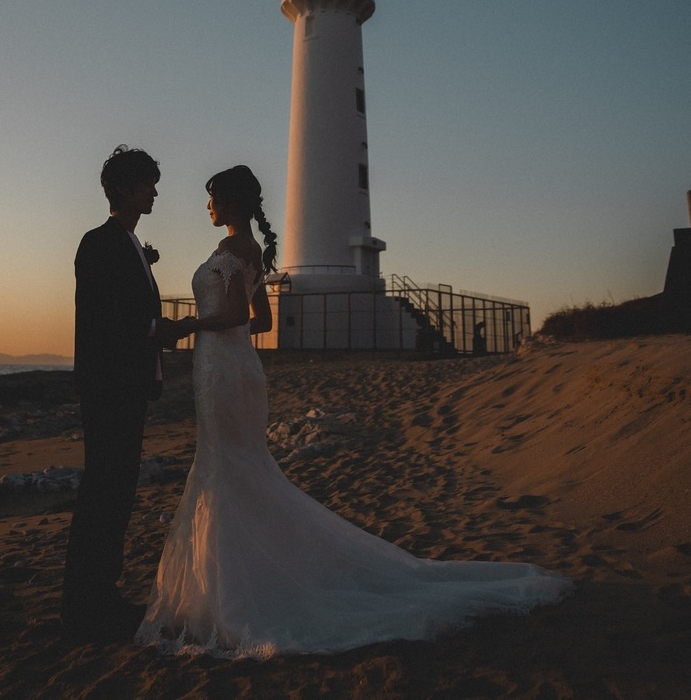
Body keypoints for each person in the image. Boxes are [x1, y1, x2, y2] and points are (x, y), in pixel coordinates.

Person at [136, 164, 572, 657]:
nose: (208, 206)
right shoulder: (243, 251)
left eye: (212, 198)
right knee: (231, 465)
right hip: (227, 364)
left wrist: (189, 325)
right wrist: (213, 333)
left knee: (231, 467)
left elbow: (242, 316)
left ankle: (234, 592)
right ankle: (231, 583)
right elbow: (261, 320)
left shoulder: (238, 250)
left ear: (231, 203)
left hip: (224, 368)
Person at [62, 145, 194, 639]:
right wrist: (159, 330)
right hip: (109, 388)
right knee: (104, 492)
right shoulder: (98, 243)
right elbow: (106, 319)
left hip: (124, 388)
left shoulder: (129, 244)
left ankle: (100, 597)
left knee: (115, 492)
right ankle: (86, 606)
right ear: (122, 188)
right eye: (147, 183)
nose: (155, 191)